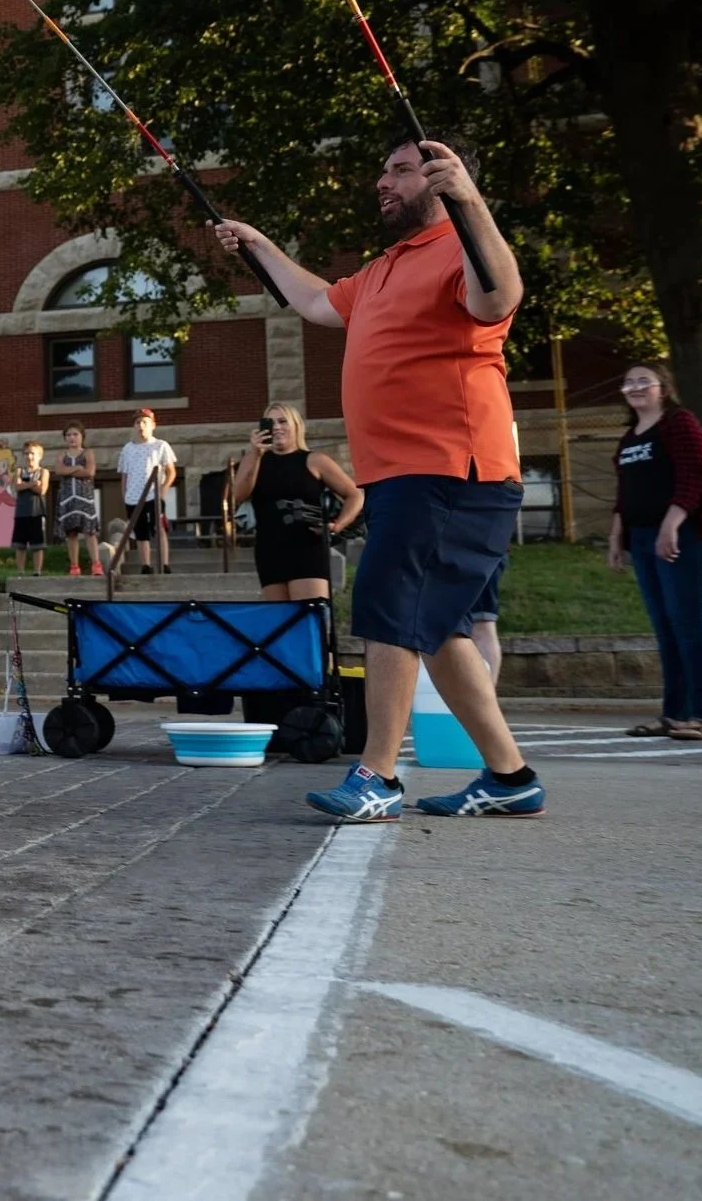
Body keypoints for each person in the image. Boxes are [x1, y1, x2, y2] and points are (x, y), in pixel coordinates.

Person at [216, 132, 545, 820]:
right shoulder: (384, 267)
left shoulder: (462, 249)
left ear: (441, 179)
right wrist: (257, 242)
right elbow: (313, 301)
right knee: (441, 630)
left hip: (454, 471)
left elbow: (501, 295)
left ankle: (378, 777)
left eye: (400, 170)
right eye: (385, 169)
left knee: (388, 605)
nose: (382, 181)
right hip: (404, 475)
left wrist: (470, 201)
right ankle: (511, 776)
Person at [608, 364, 702, 741]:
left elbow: (693, 477)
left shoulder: (680, 423)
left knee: (689, 627)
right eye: (629, 382)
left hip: (683, 537)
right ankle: (674, 715)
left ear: (664, 388)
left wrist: (671, 524)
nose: (635, 387)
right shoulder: (629, 437)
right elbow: (626, 494)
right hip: (642, 539)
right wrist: (616, 537)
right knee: (666, 630)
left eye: (645, 381)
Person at [227, 403, 364, 601]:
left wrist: (337, 525)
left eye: (283, 421)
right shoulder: (254, 459)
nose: (277, 427)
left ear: (296, 426)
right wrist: (256, 453)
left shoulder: (314, 460)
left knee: (309, 616)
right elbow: (236, 498)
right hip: (270, 548)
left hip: (307, 547)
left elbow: (355, 494)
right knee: (281, 622)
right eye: (270, 422)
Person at [115, 410, 178, 576]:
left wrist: (162, 491)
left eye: (145, 423)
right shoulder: (127, 449)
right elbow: (124, 476)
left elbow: (171, 471)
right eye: (138, 423)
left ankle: (164, 563)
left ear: (153, 426)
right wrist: (125, 496)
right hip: (133, 497)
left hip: (153, 494)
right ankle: (146, 564)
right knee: (141, 532)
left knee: (159, 528)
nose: (141, 426)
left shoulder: (161, 445)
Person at [53, 425, 102, 577]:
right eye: (68, 435)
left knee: (89, 531)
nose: (72, 437)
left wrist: (71, 470)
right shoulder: (62, 454)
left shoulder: (87, 453)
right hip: (67, 498)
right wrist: (77, 468)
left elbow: (89, 472)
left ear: (82, 436)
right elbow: (59, 470)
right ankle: (74, 566)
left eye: (75, 434)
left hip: (84, 497)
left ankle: (96, 565)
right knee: (71, 533)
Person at [10, 441, 53, 575]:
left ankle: (37, 571)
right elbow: (17, 486)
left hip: (37, 512)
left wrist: (26, 484)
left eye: (32, 453)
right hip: (21, 513)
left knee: (37, 545)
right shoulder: (19, 471)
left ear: (40, 455)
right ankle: (21, 571)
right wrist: (33, 483)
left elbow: (42, 490)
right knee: (20, 545)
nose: (29, 456)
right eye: (27, 453)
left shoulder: (44, 472)